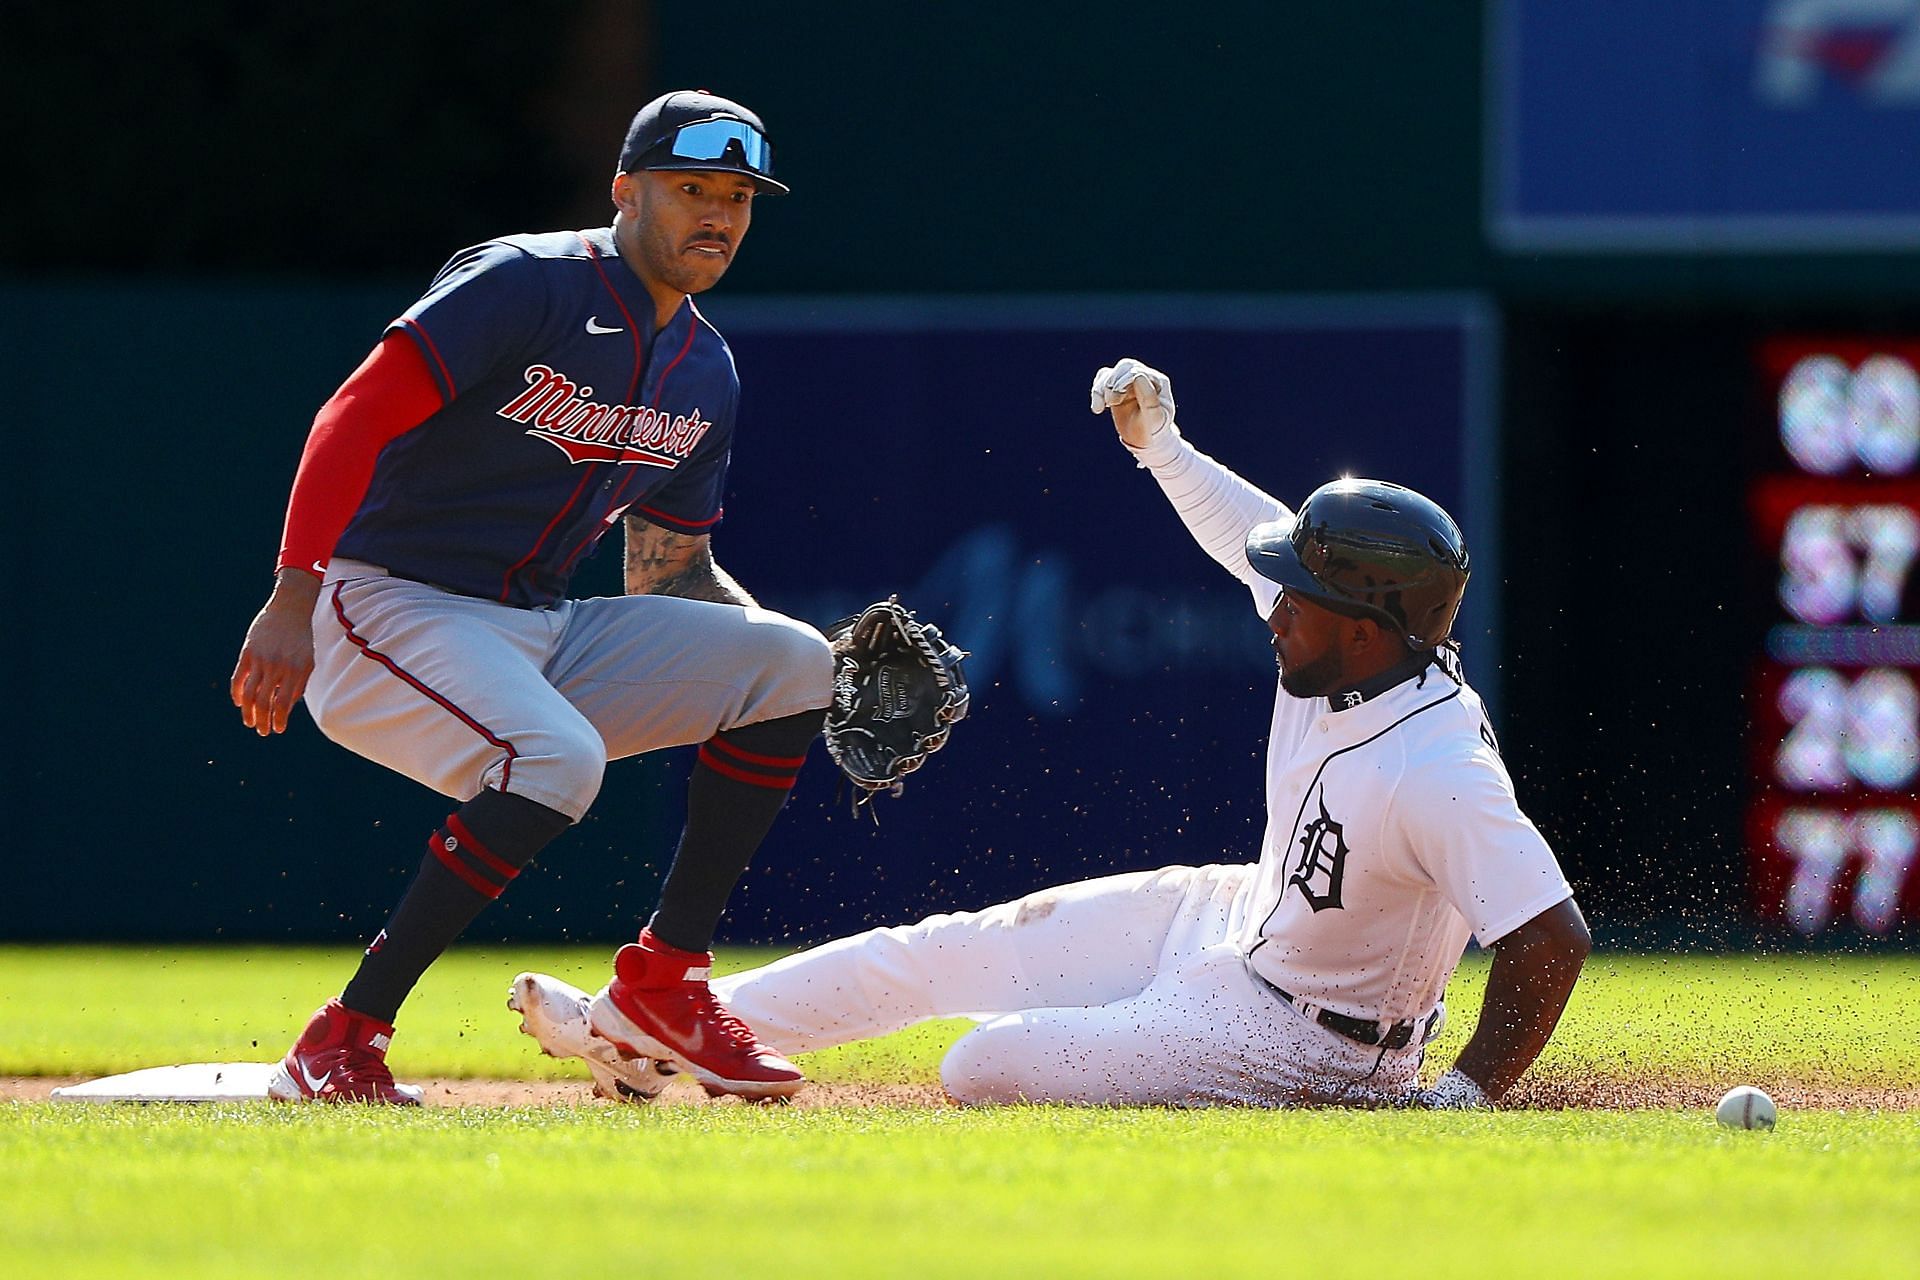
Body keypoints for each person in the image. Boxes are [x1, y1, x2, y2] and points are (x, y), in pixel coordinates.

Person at [514, 357, 1592, 1108]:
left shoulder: (1437, 763)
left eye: (1298, 593)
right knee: (938, 949)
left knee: (983, 1063)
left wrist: (1460, 1098)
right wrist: (1159, 443)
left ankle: (664, 1035)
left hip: (1306, 1040)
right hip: (1234, 915)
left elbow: (1553, 936)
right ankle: (649, 1025)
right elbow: (1242, 529)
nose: (1273, 602)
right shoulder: (1358, 645)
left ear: (1364, 623)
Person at [230, 90, 833, 1105]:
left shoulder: (707, 369)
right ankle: (341, 1036)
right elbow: (353, 413)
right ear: (625, 191)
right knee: (557, 756)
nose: (717, 214)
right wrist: (295, 592)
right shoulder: (527, 282)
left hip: (541, 625)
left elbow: (670, 572)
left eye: (738, 195)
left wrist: (824, 676)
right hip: (386, 604)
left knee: (795, 659)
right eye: (691, 188)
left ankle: (664, 985)